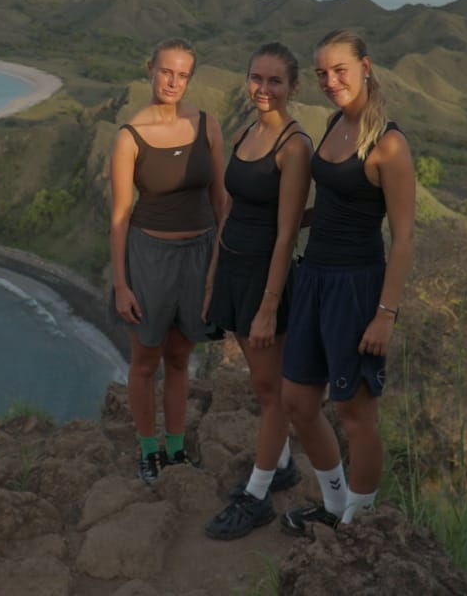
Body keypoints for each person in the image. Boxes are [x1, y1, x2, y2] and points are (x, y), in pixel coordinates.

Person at [279, 28, 415, 532]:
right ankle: (335, 506)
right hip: (314, 277)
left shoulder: (388, 144)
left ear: (366, 67)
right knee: (298, 402)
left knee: (355, 414)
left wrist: (385, 315)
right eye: (321, 73)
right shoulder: (335, 123)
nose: (330, 81)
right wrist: (289, 220)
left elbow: (403, 236)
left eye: (340, 70)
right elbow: (337, 203)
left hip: (357, 287)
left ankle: (359, 526)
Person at [203, 42, 313, 540]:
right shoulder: (245, 132)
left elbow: (287, 234)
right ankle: (282, 464)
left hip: (266, 280)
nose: (263, 89)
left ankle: (257, 496)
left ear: (293, 86)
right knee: (260, 383)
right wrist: (213, 278)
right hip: (234, 271)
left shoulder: (295, 146)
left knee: (272, 393)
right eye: (256, 78)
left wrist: (269, 308)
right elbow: (229, 211)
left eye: (274, 81)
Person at [108, 37, 227, 484]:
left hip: (200, 254)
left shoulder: (208, 126)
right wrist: (122, 285)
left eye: (182, 75)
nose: (173, 82)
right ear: (150, 70)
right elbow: (120, 216)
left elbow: (221, 201)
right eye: (166, 72)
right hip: (149, 256)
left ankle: (176, 451)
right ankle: (148, 452)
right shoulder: (130, 136)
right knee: (145, 360)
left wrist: (219, 262)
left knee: (180, 357)